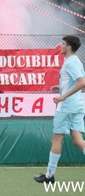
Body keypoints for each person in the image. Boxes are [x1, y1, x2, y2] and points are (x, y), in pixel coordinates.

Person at [34, 35, 85, 184]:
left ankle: (49, 176)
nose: (60, 46)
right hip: (76, 105)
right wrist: (61, 88)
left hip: (67, 106)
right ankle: (49, 175)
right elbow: (76, 82)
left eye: (63, 44)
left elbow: (82, 82)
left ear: (69, 47)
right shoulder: (74, 61)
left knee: (57, 139)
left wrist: (63, 96)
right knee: (77, 140)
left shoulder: (70, 63)